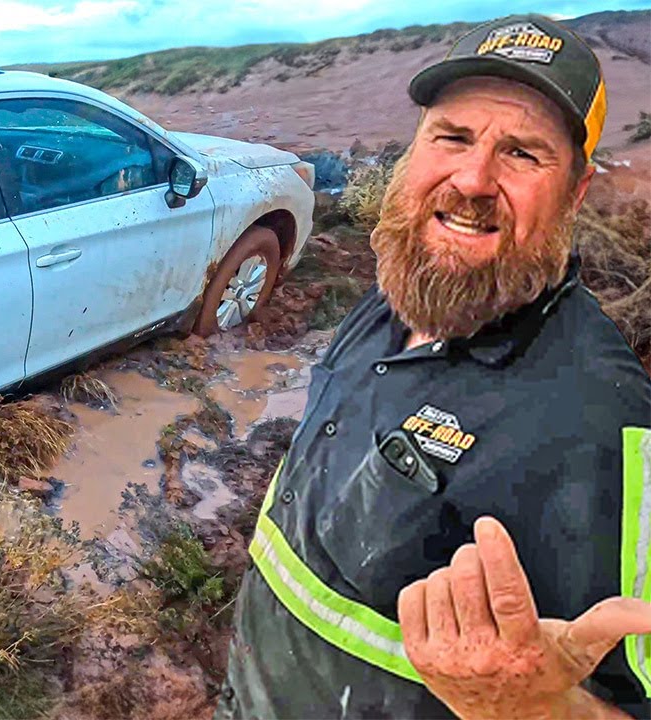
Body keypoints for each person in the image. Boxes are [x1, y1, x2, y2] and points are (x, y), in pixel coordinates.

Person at [218, 14, 651, 719]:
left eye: (522, 154)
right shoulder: (395, 292)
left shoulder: (598, 423)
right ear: (412, 150)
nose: (473, 179)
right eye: (452, 137)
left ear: (575, 194)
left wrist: (542, 708)